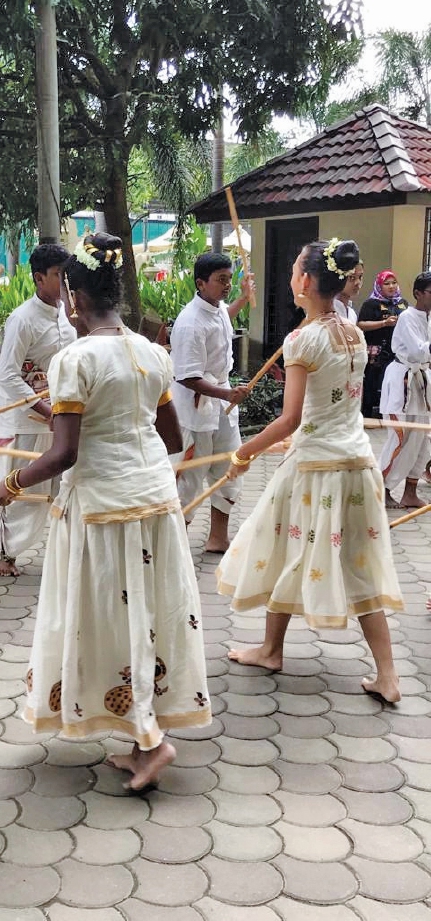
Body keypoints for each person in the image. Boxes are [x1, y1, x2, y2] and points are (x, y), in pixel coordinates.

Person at [0, 233, 210, 791]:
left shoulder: (74, 360)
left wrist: (9, 485)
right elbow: (173, 435)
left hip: (102, 508)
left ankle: (154, 742)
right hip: (156, 502)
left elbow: (64, 453)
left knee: (112, 619)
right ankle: (141, 737)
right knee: (147, 614)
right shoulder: (153, 354)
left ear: (74, 300)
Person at [218, 239, 402, 704]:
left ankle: (271, 649)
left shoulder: (302, 339)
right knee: (359, 565)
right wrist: (286, 438)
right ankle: (387, 675)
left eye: (296, 267)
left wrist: (245, 454)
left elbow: (291, 417)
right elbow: (331, 407)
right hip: (357, 463)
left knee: (283, 548)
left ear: (305, 280)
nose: (291, 275)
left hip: (316, 469)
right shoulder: (353, 333)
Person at [0, 242, 76, 576]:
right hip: (26, 419)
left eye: (67, 273)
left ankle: (67, 550)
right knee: (23, 489)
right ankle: (7, 555)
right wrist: (45, 409)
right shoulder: (22, 319)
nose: (65, 280)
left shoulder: (70, 315)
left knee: (65, 486)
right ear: (39, 278)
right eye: (57, 274)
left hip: (62, 415)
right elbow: (7, 374)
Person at [169, 253, 254, 552]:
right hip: (195, 409)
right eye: (221, 280)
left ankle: (218, 537)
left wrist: (243, 299)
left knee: (229, 468)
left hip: (221, 405)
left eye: (229, 279)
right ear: (200, 283)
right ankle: (174, 545)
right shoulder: (189, 322)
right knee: (188, 479)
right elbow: (187, 377)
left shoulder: (215, 309)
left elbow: (221, 323)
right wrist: (227, 395)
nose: (227, 285)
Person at [377, 272, 431, 509]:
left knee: (421, 439)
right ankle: (381, 489)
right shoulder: (407, 317)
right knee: (400, 437)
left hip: (423, 383)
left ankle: (410, 491)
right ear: (418, 293)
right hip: (403, 380)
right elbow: (419, 352)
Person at [357, 270, 405, 418]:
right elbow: (360, 324)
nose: (391, 286)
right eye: (386, 283)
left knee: (393, 384)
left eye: (394, 283)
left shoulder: (402, 303)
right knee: (371, 383)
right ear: (379, 286)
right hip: (376, 351)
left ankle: (389, 415)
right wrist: (383, 323)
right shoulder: (371, 303)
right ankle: (367, 415)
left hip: (396, 352)